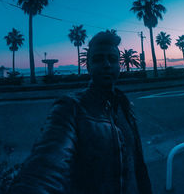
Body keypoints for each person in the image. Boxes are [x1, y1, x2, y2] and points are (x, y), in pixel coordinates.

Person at [9, 30, 153, 194]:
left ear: (119, 65)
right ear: (89, 66)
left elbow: (137, 165)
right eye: (98, 59)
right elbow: (46, 166)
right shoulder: (70, 107)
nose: (106, 64)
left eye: (112, 59)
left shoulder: (124, 104)